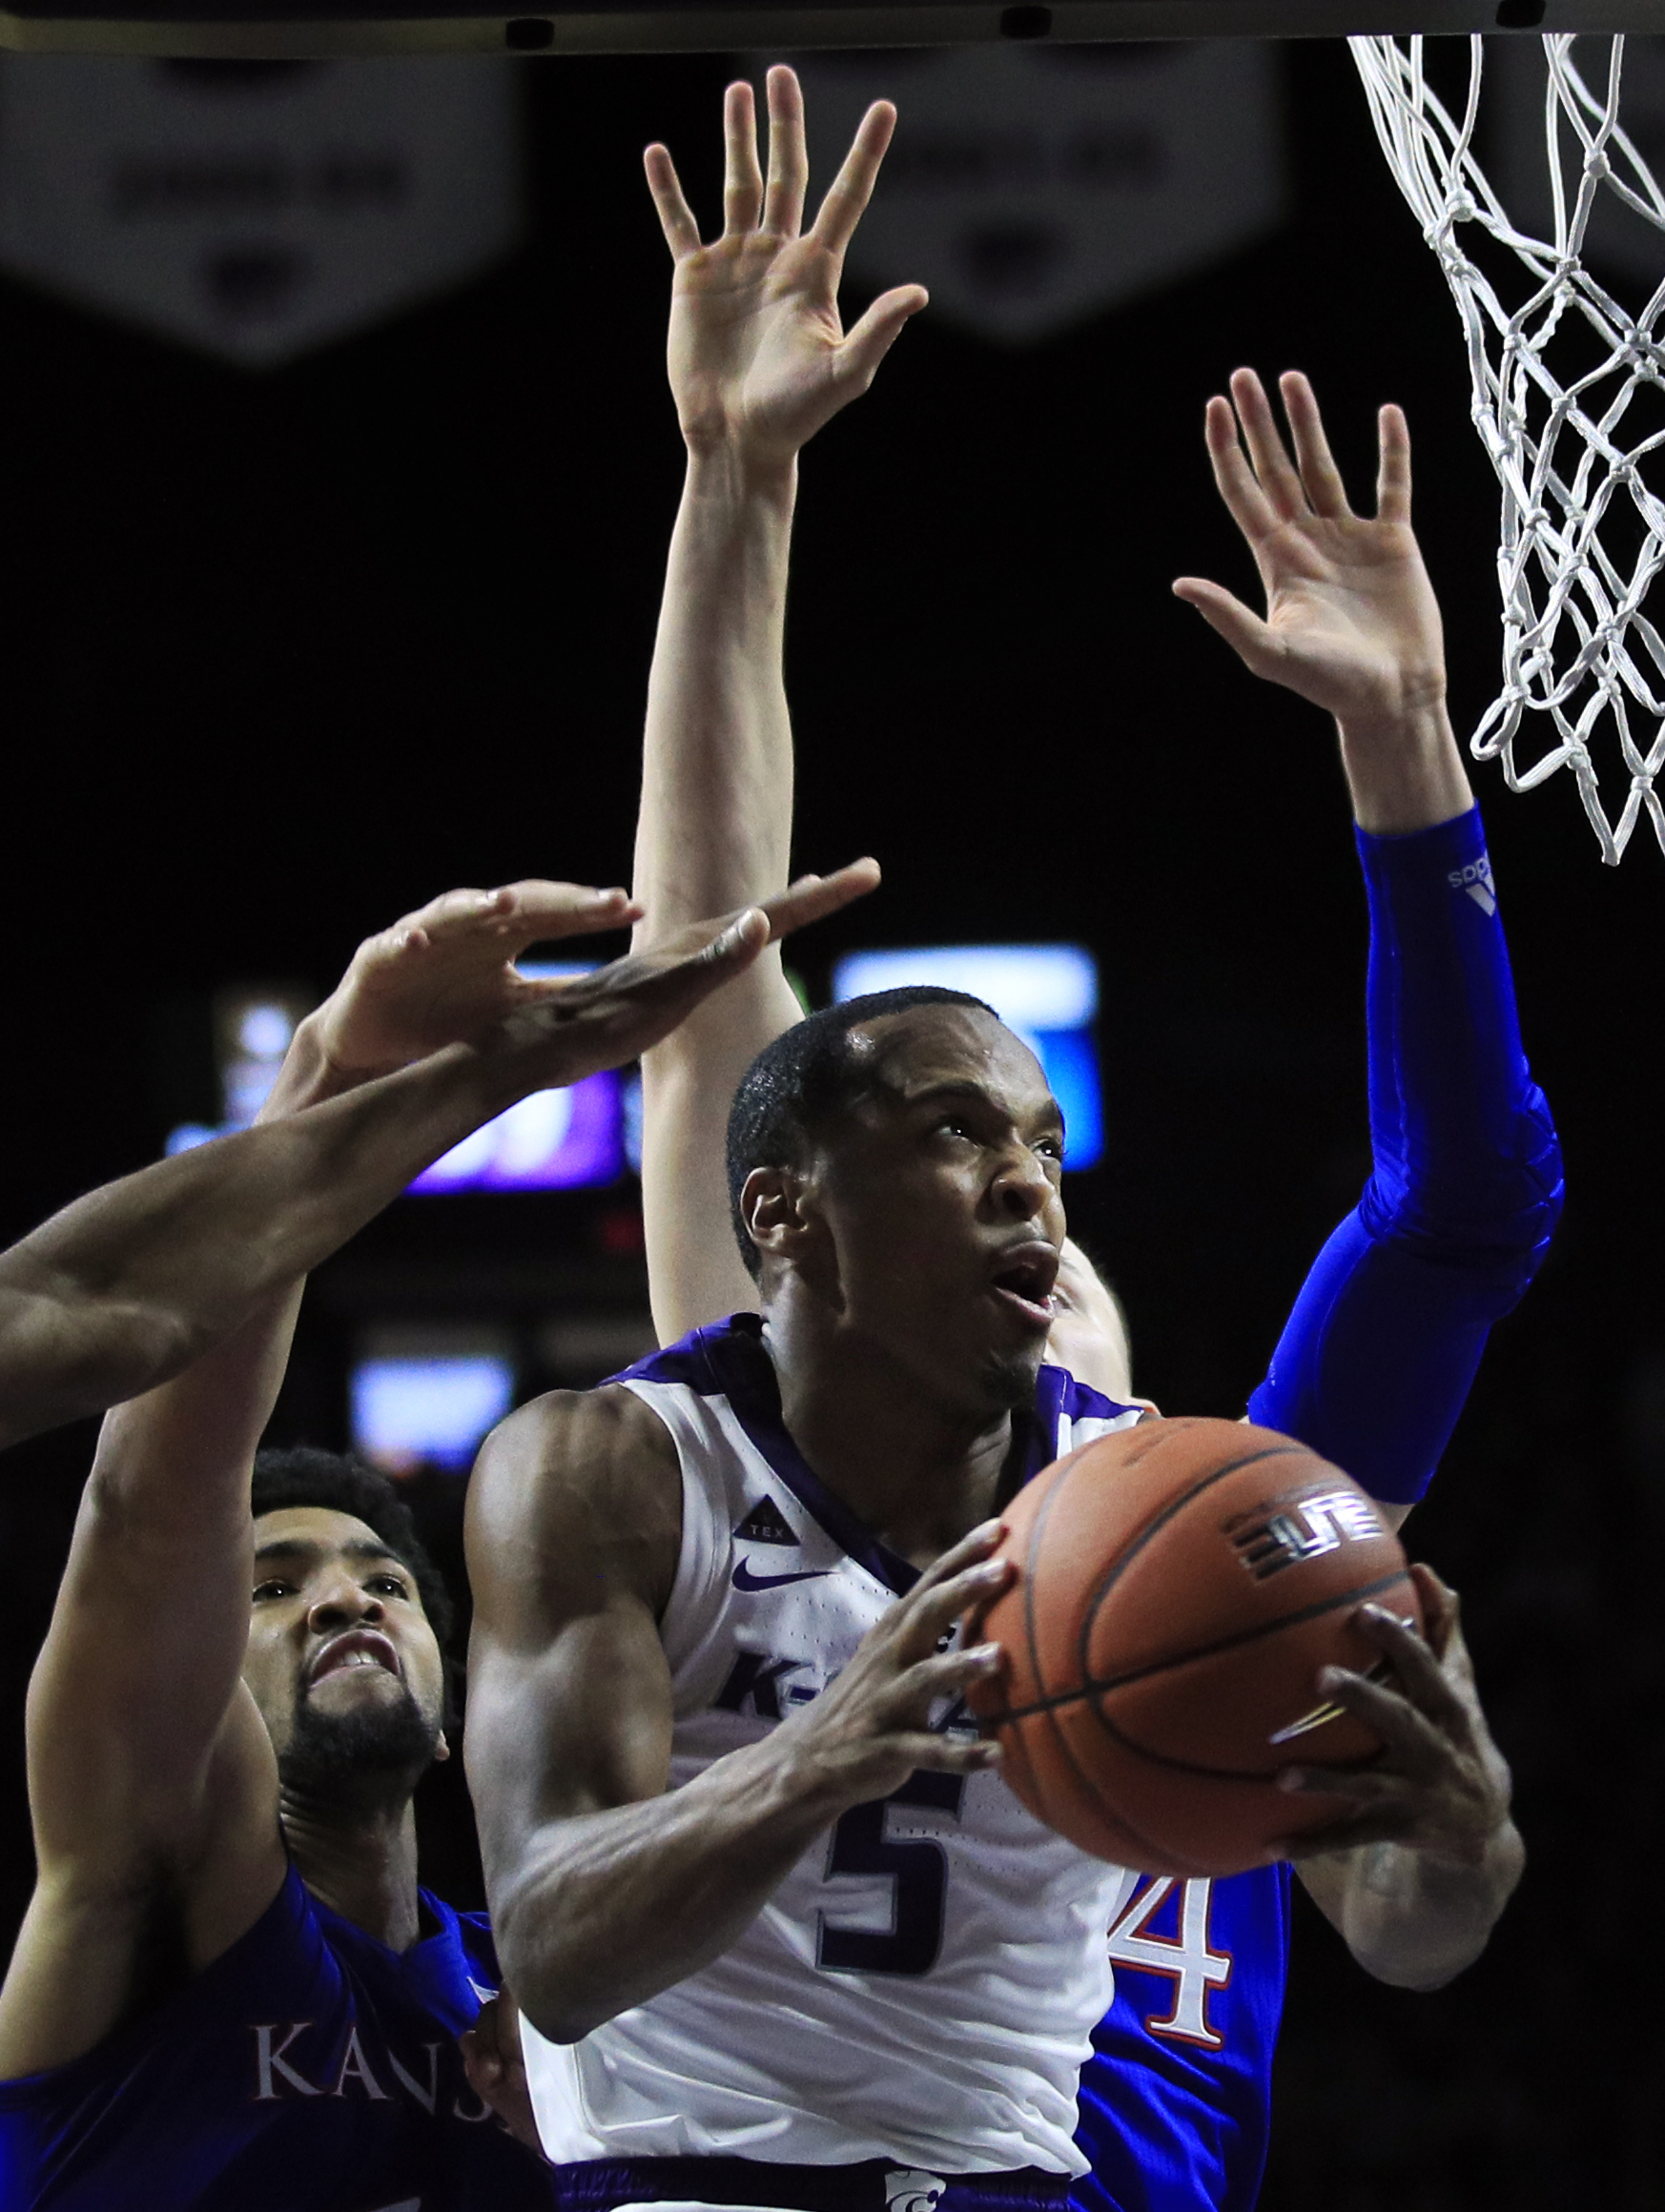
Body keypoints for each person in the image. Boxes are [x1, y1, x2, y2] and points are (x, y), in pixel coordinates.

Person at [462, 72, 1551, 2212]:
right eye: (969, 1153)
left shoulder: (1227, 1518)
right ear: (806, 1238)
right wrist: (733, 480)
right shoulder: (696, 1450)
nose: (1037, 1205)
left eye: (1051, 1160)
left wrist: (1411, 754)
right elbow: (702, 986)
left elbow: (1462, 1210)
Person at [0, 868, 874, 2210]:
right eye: (272, 1587)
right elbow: (152, 1506)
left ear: (467, 1703)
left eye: (382, 1578)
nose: (341, 1601)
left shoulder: (553, 1991)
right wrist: (334, 1072)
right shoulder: (163, 1894)